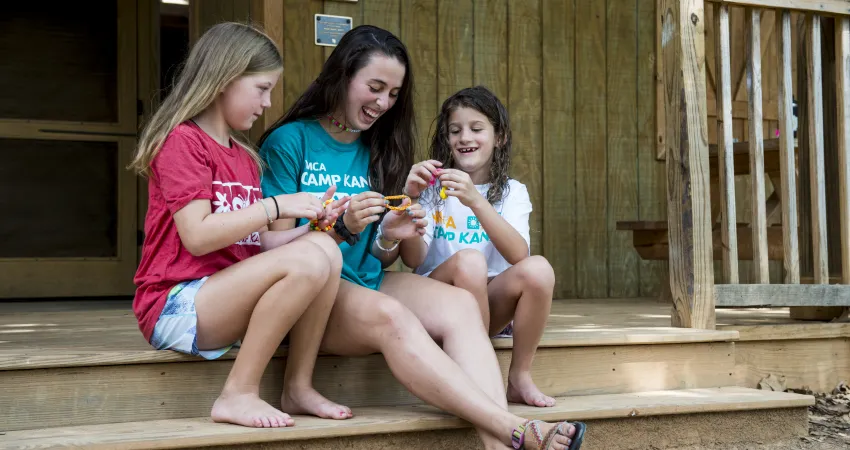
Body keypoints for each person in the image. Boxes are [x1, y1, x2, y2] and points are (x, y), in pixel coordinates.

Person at [259, 25, 585, 449]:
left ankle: (497, 444)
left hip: (367, 281)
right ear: (341, 75)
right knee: (395, 318)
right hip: (317, 292)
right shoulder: (291, 141)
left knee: (462, 305)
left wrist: (390, 235)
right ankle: (513, 431)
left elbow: (377, 255)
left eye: (393, 94)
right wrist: (338, 227)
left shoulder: (380, 147)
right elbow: (273, 251)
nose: (382, 103)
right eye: (375, 87)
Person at [129, 22, 352, 429]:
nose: (268, 103)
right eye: (262, 88)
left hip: (225, 296)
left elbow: (261, 245)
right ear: (225, 80)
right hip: (176, 304)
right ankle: (238, 394)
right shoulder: (182, 141)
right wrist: (275, 204)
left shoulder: (245, 157)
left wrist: (319, 228)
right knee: (308, 258)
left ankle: (298, 386)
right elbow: (197, 237)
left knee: (325, 252)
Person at [405, 86, 556, 409]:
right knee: (469, 262)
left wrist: (476, 201)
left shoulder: (512, 192)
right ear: (446, 139)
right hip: (437, 303)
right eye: (455, 130)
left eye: (476, 129)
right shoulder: (433, 190)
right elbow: (411, 259)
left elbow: (519, 256)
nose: (464, 137)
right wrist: (413, 201)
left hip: (488, 308)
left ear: (499, 137)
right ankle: (478, 373)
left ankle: (519, 376)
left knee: (539, 270)